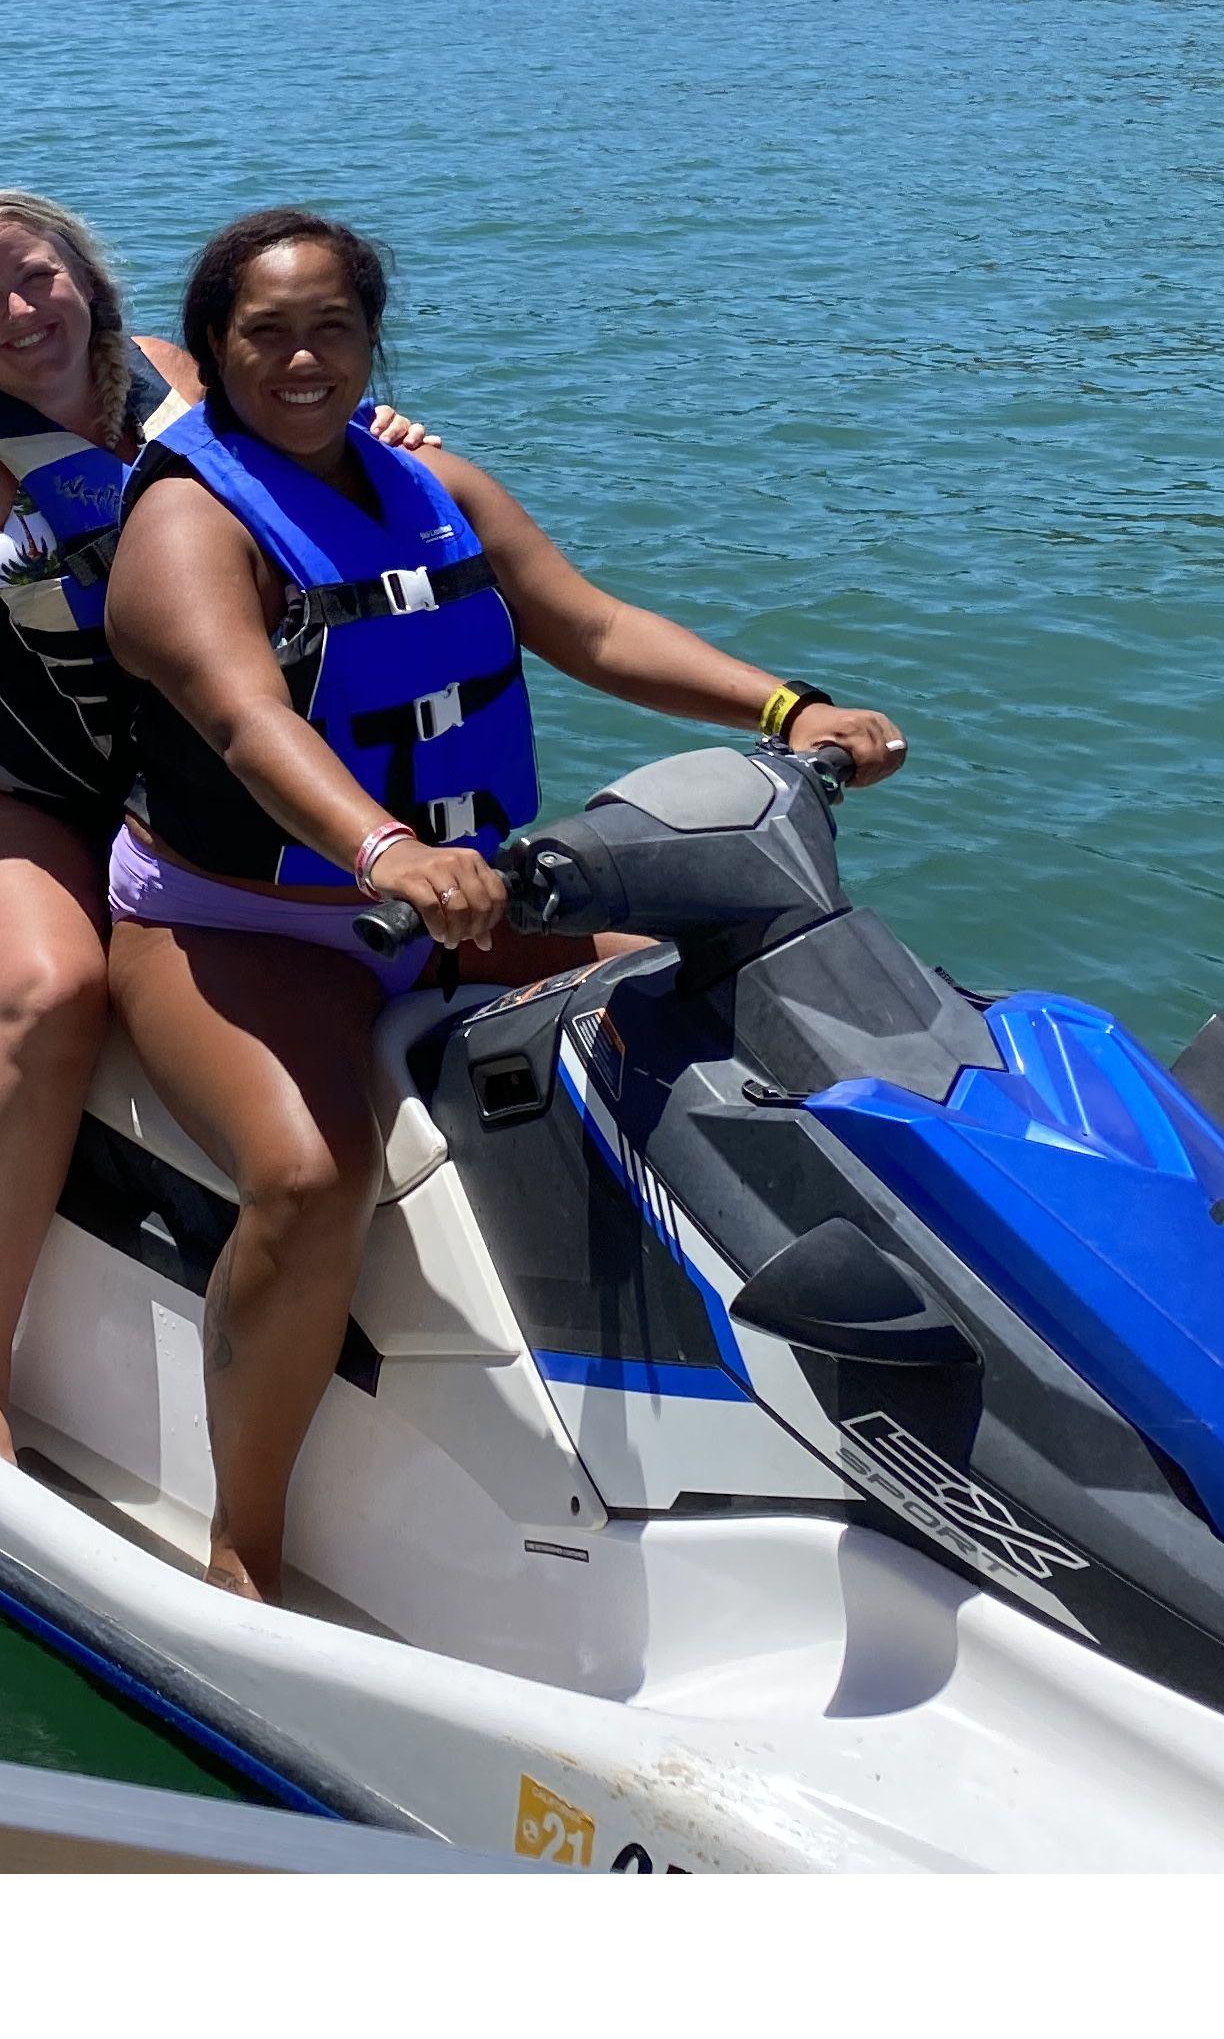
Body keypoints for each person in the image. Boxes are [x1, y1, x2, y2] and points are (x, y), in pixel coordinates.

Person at [100, 207, 907, 1602]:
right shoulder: (185, 521)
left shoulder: (434, 485)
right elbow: (241, 720)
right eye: (266, 334)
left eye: (331, 328)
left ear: (371, 339)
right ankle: (243, 1533)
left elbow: (587, 625)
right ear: (218, 350)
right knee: (307, 1180)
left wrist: (791, 704)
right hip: (237, 918)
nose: (303, 359)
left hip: (456, 897)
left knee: (718, 980)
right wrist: (382, 846)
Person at [0, 189, 435, 1463]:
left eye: (36, 277)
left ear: (88, 281)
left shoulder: (174, 385)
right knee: (52, 996)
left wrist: (381, 441)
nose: (17, 312)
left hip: (172, 782)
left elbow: (301, 466)